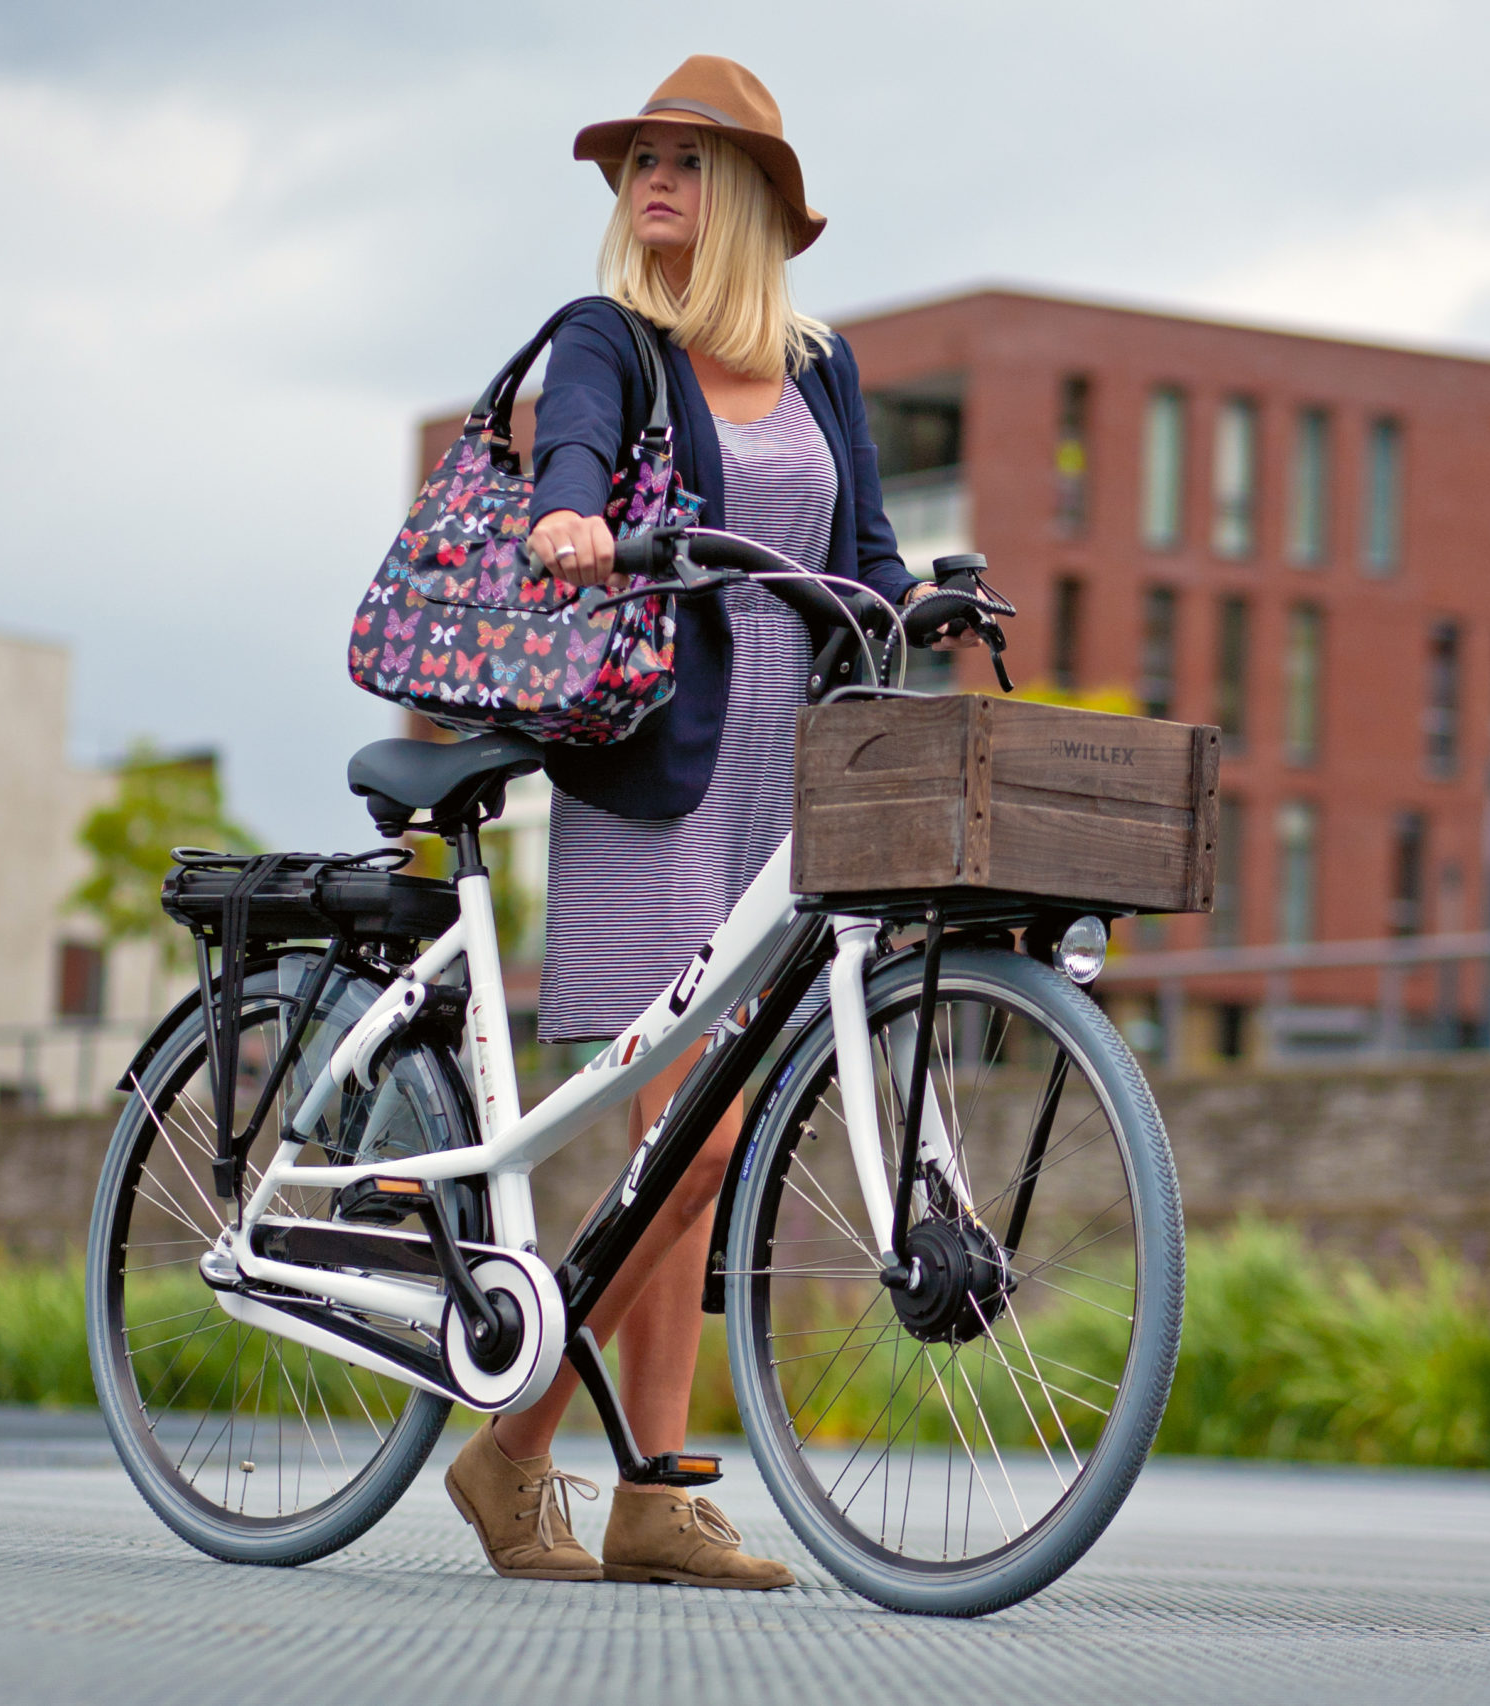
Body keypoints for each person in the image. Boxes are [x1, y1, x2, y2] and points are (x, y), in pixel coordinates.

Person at [442, 54, 962, 1591]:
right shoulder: (616, 339)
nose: (653, 177)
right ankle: (518, 1446)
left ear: (748, 196)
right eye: (639, 158)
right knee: (706, 1121)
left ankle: (650, 1488)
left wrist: (921, 595)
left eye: (687, 156)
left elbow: (860, 553)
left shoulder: (820, 366)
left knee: (697, 1141)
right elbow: (577, 439)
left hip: (781, 780)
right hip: (661, 769)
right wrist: (569, 513)